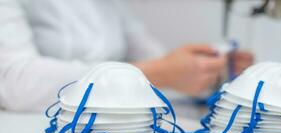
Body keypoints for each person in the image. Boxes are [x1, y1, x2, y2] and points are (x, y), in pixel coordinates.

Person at [0, 0, 253, 111]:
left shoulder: (111, 4)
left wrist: (209, 67)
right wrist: (161, 72)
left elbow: (155, 60)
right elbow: (15, 83)